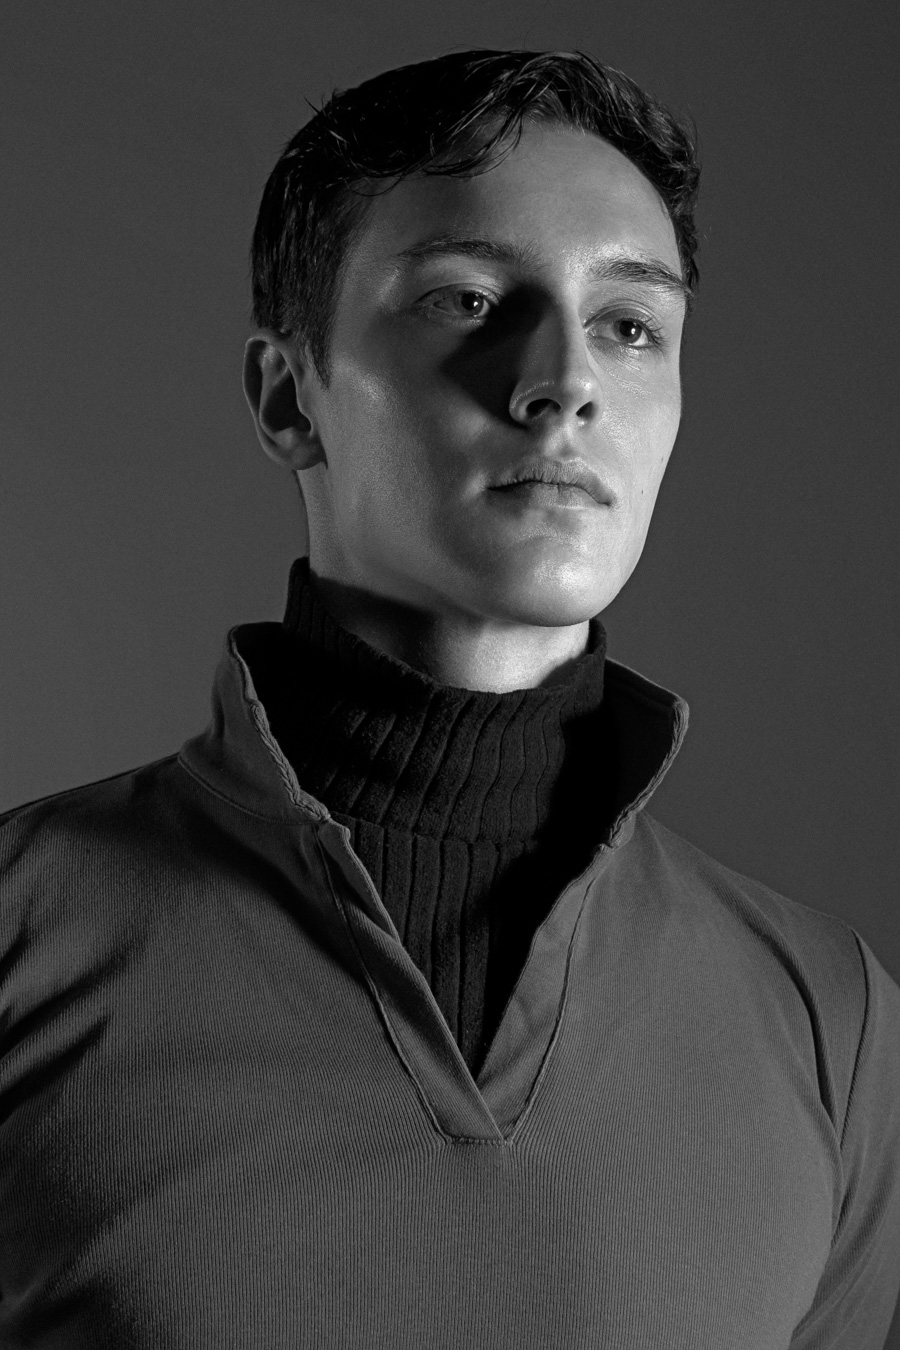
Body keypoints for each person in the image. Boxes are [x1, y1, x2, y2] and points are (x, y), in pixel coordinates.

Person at [1, 47, 898, 1349]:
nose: (566, 380)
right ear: (288, 397)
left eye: (630, 325)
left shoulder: (830, 1021)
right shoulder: (24, 936)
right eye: (468, 301)